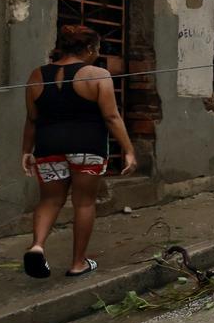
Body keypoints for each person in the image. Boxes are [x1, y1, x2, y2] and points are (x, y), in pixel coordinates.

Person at [21, 25, 137, 278]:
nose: (97, 53)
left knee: (49, 200)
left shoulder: (36, 75)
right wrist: (128, 150)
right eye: (96, 49)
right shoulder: (98, 74)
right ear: (88, 49)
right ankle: (78, 263)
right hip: (87, 149)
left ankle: (37, 246)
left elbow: (32, 119)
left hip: (48, 148)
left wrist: (26, 151)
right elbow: (111, 116)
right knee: (84, 203)